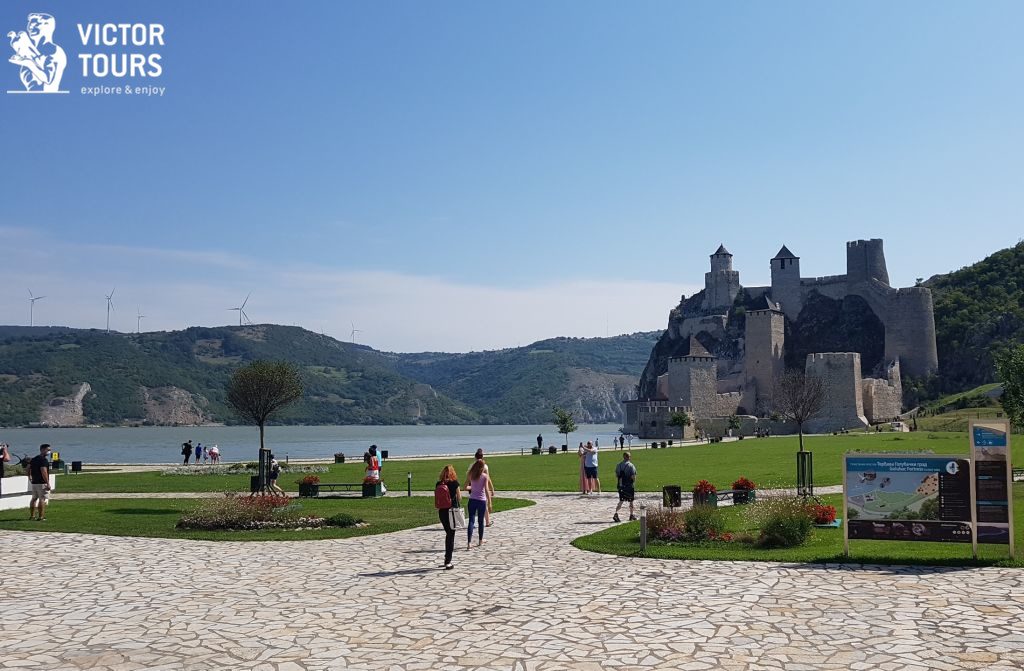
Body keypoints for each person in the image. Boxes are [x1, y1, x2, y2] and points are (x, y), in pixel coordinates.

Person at [435, 465, 462, 570]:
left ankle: (447, 558)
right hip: (452, 512)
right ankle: (448, 561)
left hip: (442, 512)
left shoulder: (438, 484)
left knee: (448, 533)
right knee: (451, 535)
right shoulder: (454, 483)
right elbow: (459, 498)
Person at [467, 449, 495, 527]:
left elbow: (468, 478)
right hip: (482, 486)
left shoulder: (471, 465)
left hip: (473, 487)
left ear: (475, 457)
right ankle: (487, 521)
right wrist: (492, 488)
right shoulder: (485, 466)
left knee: (475, 503)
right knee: (483, 504)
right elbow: (488, 479)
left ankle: (474, 522)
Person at [28, 444, 51, 521]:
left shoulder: (34, 459)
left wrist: (30, 477)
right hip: (41, 482)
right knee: (42, 499)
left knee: (34, 498)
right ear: (42, 449)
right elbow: (43, 471)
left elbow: (28, 468)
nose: (49, 451)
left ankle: (32, 516)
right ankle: (41, 517)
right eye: (47, 450)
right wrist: (47, 482)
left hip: (34, 482)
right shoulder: (43, 460)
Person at [613, 452, 637, 522]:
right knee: (631, 501)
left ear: (623, 457)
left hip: (621, 486)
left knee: (621, 501)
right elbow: (633, 476)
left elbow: (617, 475)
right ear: (629, 457)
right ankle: (631, 515)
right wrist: (633, 482)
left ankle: (616, 513)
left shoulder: (619, 465)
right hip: (629, 486)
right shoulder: (631, 466)